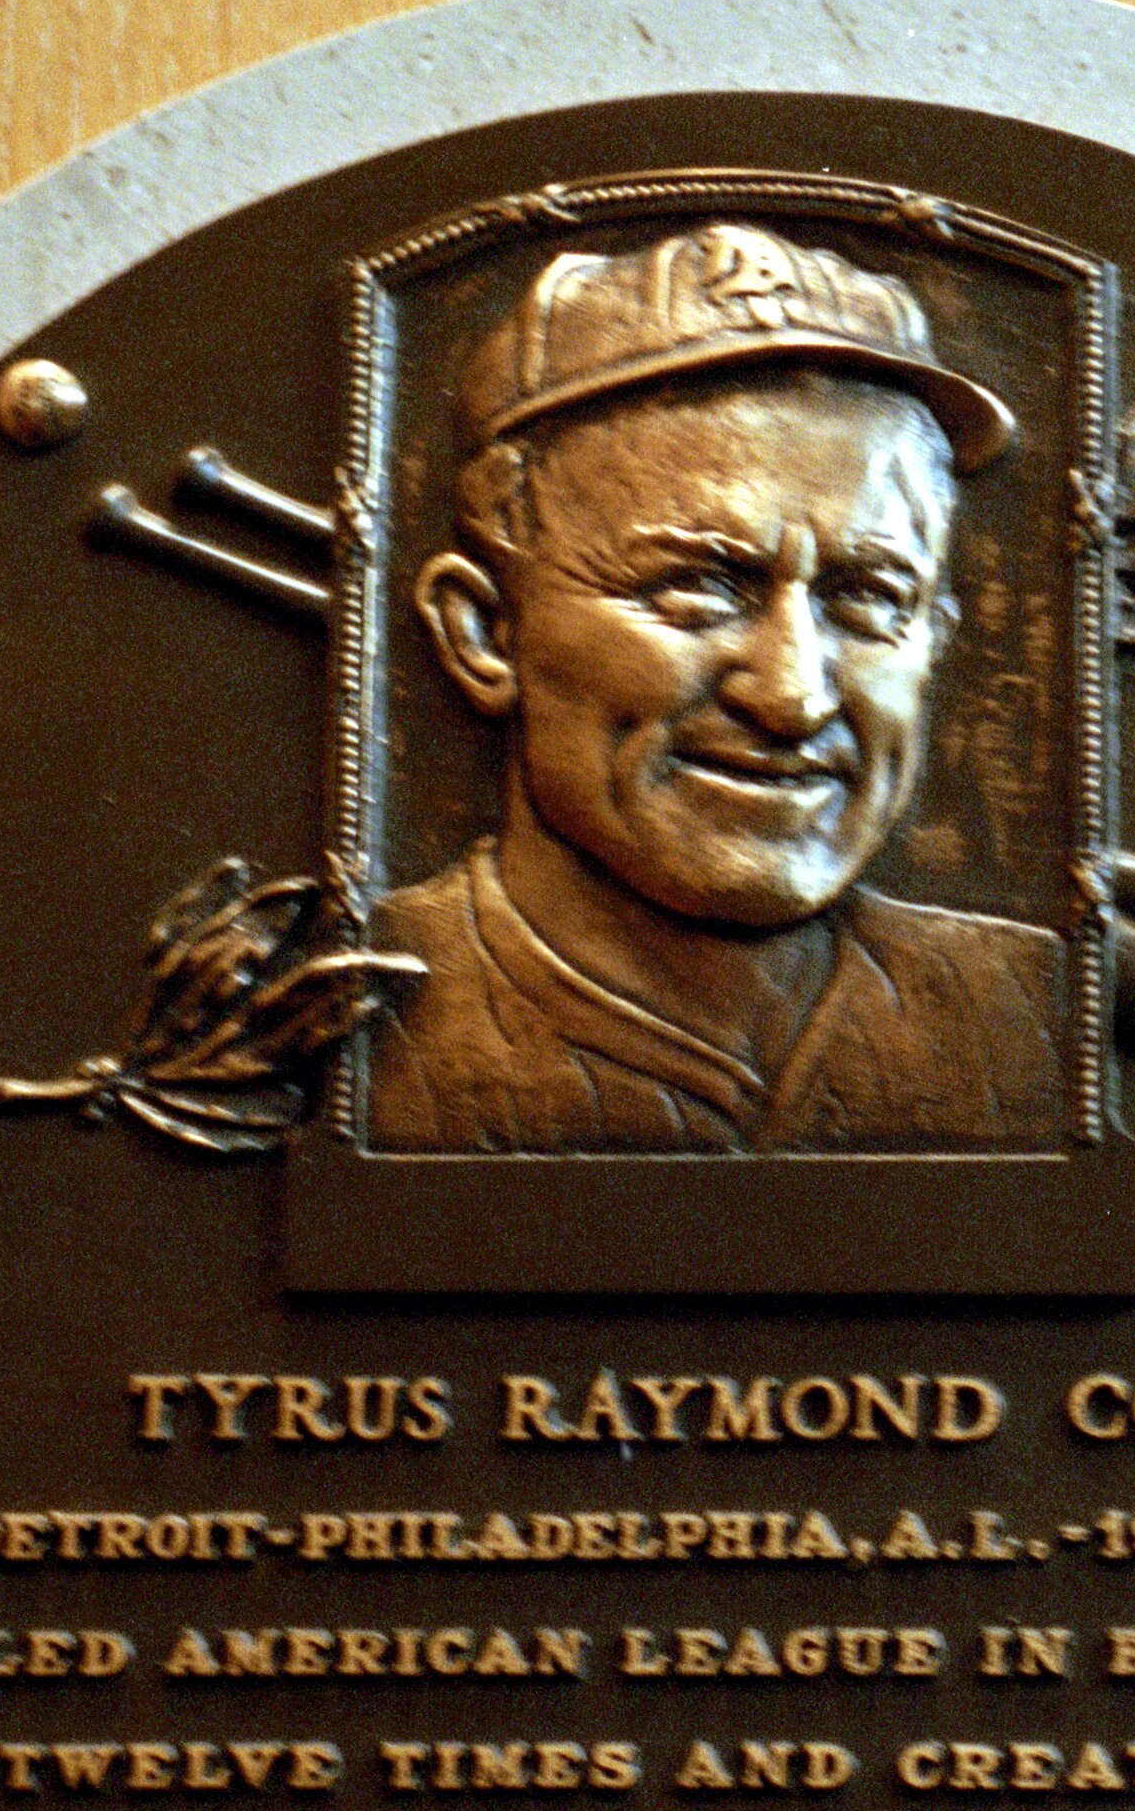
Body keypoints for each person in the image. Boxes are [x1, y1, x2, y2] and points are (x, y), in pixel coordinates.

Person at [365, 220, 1065, 1153]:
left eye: (866, 598)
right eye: (697, 587)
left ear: (934, 642)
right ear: (484, 633)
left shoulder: (1028, 1015)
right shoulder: (339, 1016)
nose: (793, 695)